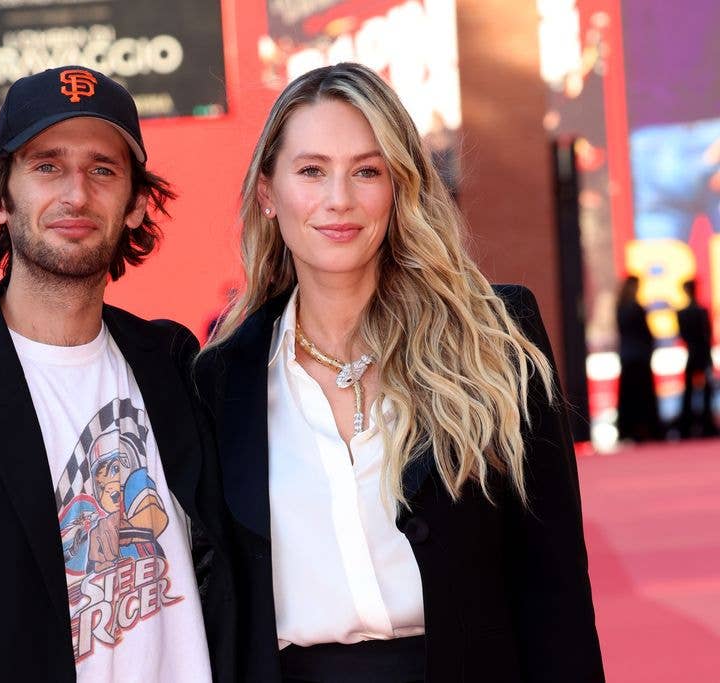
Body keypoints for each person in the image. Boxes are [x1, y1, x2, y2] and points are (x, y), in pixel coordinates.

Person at [195, 63, 604, 682]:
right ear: (268, 194)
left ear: (399, 188)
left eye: (367, 170)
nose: (339, 199)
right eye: (311, 170)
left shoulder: (494, 339)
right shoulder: (221, 382)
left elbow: (555, 586)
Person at [0, 66, 232, 683]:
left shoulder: (175, 365)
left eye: (103, 169)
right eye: (46, 166)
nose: (76, 194)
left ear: (135, 204)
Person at [615, 275, 662, 442]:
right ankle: (646, 429)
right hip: (640, 358)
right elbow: (646, 335)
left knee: (629, 397)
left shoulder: (620, 307)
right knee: (643, 397)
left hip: (627, 358)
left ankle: (628, 429)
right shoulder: (636, 308)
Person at [677, 280, 717, 437]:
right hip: (701, 355)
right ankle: (705, 424)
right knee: (704, 391)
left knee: (690, 391)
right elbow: (707, 336)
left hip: (693, 355)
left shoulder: (683, 313)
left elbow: (685, 336)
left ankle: (686, 426)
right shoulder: (701, 312)